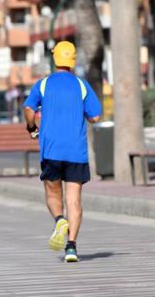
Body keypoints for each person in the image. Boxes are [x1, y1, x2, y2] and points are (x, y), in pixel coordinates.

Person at [22, 41, 101, 263]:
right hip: (76, 151)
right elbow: (95, 116)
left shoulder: (43, 84)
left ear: (54, 58)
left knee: (52, 194)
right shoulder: (81, 85)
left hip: (51, 150)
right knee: (73, 199)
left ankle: (59, 220)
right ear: (72, 60)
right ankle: (72, 247)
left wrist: (32, 126)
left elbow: (29, 109)